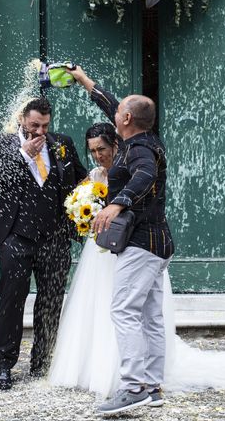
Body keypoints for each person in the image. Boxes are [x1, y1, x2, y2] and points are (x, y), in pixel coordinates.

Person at [49, 123, 225, 399]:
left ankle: (134, 382)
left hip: (137, 246)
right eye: (92, 151)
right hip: (101, 251)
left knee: (133, 312)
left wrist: (114, 207)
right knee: (103, 305)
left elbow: (142, 185)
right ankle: (105, 371)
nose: (97, 156)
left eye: (101, 149)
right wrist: (86, 218)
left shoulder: (135, 161)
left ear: (115, 143)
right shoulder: (94, 175)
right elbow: (81, 206)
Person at [69, 66, 173, 416]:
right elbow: (111, 103)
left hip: (142, 243)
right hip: (157, 243)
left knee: (124, 310)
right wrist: (84, 80)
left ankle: (133, 387)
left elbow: (144, 176)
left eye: (118, 113)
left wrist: (115, 204)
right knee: (150, 316)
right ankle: (153, 386)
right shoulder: (139, 137)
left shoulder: (140, 151)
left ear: (127, 119)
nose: (113, 114)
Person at [0, 96, 87, 390]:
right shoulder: (3, 144)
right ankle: (4, 365)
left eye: (45, 126)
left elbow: (81, 178)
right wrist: (22, 155)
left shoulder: (62, 143)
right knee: (11, 300)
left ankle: (42, 360)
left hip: (56, 237)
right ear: (23, 119)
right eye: (34, 125)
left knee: (51, 301)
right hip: (16, 237)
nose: (40, 132)